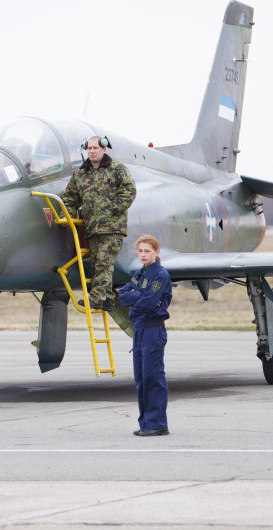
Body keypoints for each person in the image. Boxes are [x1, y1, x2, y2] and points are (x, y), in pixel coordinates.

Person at [61, 135, 136, 312]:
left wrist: (112, 210)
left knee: (104, 263)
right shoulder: (80, 174)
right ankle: (108, 299)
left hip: (113, 228)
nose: (92, 151)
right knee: (97, 265)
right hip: (92, 228)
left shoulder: (117, 169)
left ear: (104, 149)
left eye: (95, 148)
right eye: (89, 149)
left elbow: (129, 191)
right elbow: (70, 198)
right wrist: (69, 216)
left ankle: (94, 299)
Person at [118, 235, 172, 436]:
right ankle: (145, 423)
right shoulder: (141, 273)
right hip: (139, 329)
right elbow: (123, 295)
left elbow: (150, 303)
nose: (143, 255)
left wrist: (139, 298)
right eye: (140, 251)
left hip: (152, 329)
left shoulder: (160, 275)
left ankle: (157, 424)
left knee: (153, 377)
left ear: (156, 252)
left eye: (147, 251)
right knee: (140, 378)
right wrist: (140, 297)